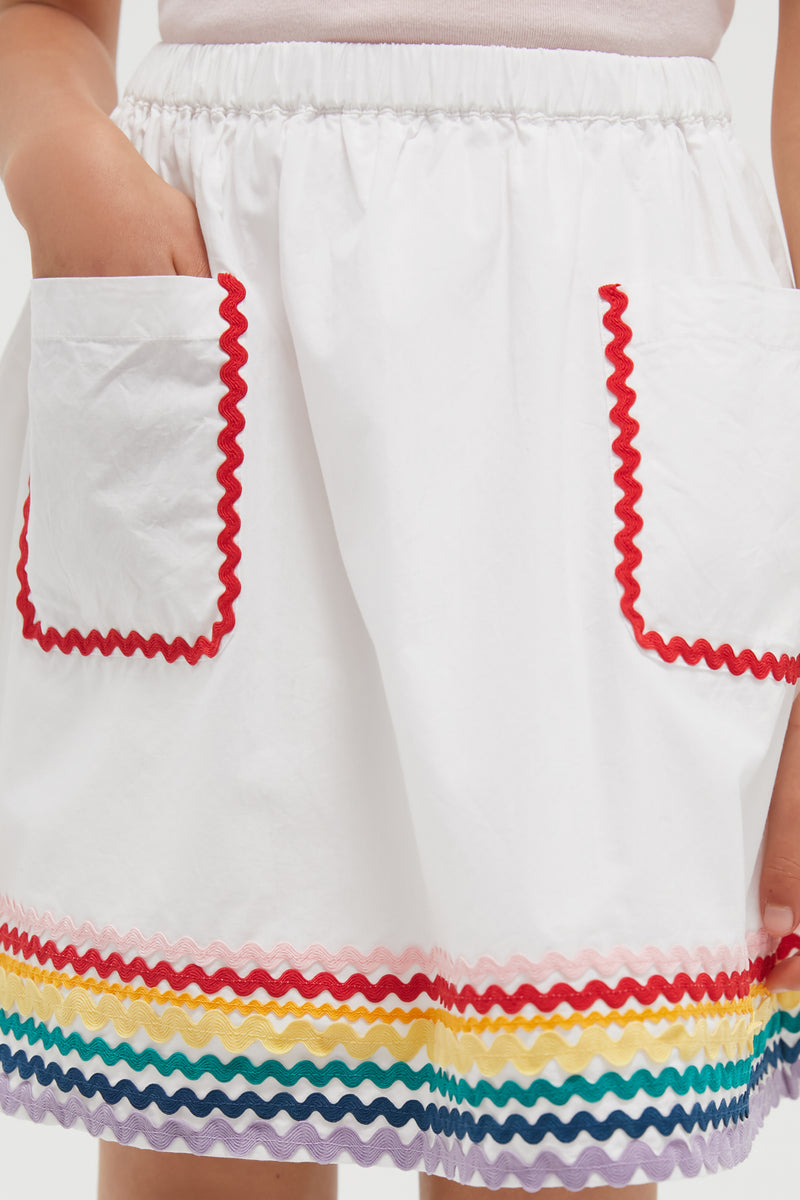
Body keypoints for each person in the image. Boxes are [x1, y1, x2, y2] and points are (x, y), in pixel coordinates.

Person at [0, 2, 799, 1198]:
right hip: (220, 294)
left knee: (552, 1128)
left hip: (597, 357)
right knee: (204, 1104)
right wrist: (54, 146)